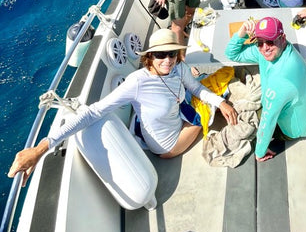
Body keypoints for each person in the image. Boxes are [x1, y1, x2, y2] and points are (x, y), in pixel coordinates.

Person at [9, 29, 238, 184]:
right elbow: (93, 112)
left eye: (172, 54)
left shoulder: (179, 68)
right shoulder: (137, 82)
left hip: (175, 115)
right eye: (160, 54)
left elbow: (195, 89)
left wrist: (221, 102)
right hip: (167, 145)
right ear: (150, 57)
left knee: (206, 95)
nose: (167, 60)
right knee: (204, 116)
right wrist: (41, 148)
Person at [224, 16, 306, 162]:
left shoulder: (282, 78)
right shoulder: (278, 49)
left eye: (270, 41)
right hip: (299, 103)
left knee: (249, 114)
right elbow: (232, 54)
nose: (265, 48)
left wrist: (259, 152)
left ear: (282, 38)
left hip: (292, 130)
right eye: (260, 42)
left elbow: (268, 120)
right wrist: (241, 33)